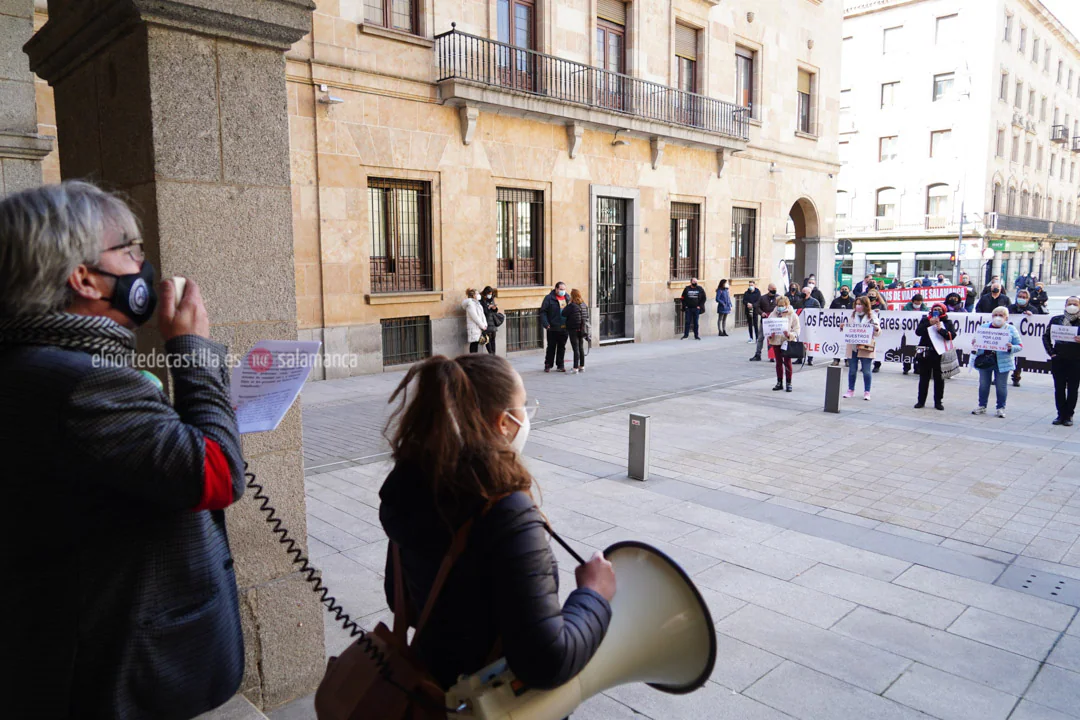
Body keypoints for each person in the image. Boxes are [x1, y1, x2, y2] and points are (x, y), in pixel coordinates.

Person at [1, 182, 247, 719]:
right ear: (84, 276)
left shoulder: (34, 362)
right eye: (130, 249)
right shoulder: (79, 380)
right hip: (122, 671)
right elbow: (217, 475)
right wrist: (193, 351)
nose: (144, 263)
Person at [378, 353, 615, 693]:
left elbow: (399, 598)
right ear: (503, 422)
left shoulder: (417, 482)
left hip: (435, 686)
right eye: (522, 406)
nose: (526, 416)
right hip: (491, 699)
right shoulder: (506, 514)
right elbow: (547, 660)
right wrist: (594, 594)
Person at [971, 307, 1022, 418]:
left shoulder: (1011, 329)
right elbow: (976, 342)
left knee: (1001, 386)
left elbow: (1019, 346)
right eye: (996, 315)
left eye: (1001, 315)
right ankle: (982, 406)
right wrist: (975, 343)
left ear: (1006, 317)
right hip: (985, 361)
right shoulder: (984, 327)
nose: (998, 317)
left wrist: (1011, 347)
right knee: (984, 385)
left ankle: (1000, 408)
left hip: (1002, 362)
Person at [914, 303, 958, 410]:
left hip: (940, 354)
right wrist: (929, 323)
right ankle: (921, 401)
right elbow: (918, 332)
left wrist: (941, 330)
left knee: (939, 379)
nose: (937, 311)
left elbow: (952, 336)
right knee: (924, 378)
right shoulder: (925, 320)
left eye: (939, 309)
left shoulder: (947, 322)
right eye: (935, 309)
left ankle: (938, 401)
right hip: (925, 353)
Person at [1045, 296, 1080, 426]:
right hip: (1059, 359)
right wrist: (1051, 353)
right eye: (1070, 303)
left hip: (1076, 360)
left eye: (1075, 304)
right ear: (1065, 305)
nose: (1072, 306)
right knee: (1059, 388)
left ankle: (1069, 415)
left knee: (1073, 389)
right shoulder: (1056, 320)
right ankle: (1060, 414)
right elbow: (1046, 336)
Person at [841, 296, 881, 400]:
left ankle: (867, 391)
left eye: (860, 304)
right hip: (854, 347)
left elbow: (878, 332)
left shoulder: (872, 316)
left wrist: (876, 328)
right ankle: (850, 390)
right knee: (852, 370)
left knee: (866, 371)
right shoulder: (853, 315)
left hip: (866, 347)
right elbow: (849, 328)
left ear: (865, 305)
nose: (858, 306)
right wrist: (843, 327)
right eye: (857, 304)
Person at [1008, 289, 1044, 386]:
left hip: (1024, 338)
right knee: (1005, 356)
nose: (1022, 299)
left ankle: (1016, 377)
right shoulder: (1010, 308)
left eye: (1024, 297)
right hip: (1010, 336)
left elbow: (1037, 322)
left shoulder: (1033, 309)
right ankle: (1000, 376)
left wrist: (1031, 316)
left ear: (1028, 299)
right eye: (1020, 297)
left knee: (1019, 359)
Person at [767, 296, 800, 392]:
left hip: (787, 341)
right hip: (776, 340)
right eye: (779, 305)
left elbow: (797, 330)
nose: (780, 307)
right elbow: (768, 326)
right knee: (778, 362)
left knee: (787, 362)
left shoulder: (792, 315)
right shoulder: (773, 314)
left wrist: (789, 334)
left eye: (782, 305)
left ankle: (789, 383)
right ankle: (779, 382)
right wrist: (770, 334)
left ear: (787, 305)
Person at [540, 281, 569, 372]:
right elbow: (543, 312)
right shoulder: (549, 298)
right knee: (551, 346)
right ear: (556, 289)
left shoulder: (567, 298)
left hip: (564, 327)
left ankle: (560, 365)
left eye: (564, 289)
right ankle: (548, 364)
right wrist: (546, 323)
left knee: (562, 347)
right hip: (552, 327)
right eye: (561, 289)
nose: (562, 291)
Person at [751, 284, 779, 361]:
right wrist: (761, 313)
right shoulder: (762, 298)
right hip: (765, 321)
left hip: (774, 322)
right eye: (772, 289)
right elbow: (756, 307)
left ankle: (773, 355)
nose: (774, 290)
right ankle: (758, 354)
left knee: (773, 338)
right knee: (761, 337)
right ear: (769, 289)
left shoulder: (778, 297)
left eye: (775, 289)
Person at [902, 293, 928, 375]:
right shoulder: (906, 309)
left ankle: (917, 368)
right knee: (907, 351)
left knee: (918, 352)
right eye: (916, 303)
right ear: (913, 301)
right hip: (908, 332)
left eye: (919, 303)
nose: (918, 304)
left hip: (919, 333)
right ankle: (906, 368)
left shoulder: (925, 309)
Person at [565, 288, 590, 373]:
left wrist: (568, 304)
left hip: (573, 329)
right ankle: (582, 366)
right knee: (581, 347)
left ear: (572, 296)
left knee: (575, 348)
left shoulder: (572, 305)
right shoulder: (584, 305)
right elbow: (587, 316)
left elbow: (563, 313)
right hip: (582, 329)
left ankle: (575, 368)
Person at [866, 288, 887, 372]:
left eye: (873, 295)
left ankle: (877, 364)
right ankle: (866, 363)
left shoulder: (881, 305)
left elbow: (886, 314)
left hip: (877, 328)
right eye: (869, 295)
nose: (871, 296)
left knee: (878, 346)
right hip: (867, 329)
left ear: (876, 296)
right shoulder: (865, 305)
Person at [463, 288, 489, 354]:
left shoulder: (477, 303)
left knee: (476, 344)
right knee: (474, 345)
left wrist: (485, 324)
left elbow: (482, 315)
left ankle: (474, 360)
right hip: (474, 328)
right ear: (473, 295)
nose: (479, 295)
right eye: (477, 293)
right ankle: (472, 361)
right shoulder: (470, 304)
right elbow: (475, 317)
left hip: (479, 327)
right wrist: (483, 326)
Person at [479, 286, 500, 356]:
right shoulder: (481, 300)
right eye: (489, 293)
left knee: (493, 339)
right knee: (487, 339)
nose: (490, 295)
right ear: (486, 293)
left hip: (492, 322)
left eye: (491, 294)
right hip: (486, 322)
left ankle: (494, 355)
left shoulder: (491, 299)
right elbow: (483, 312)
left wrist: (494, 308)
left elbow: (495, 311)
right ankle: (491, 354)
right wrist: (488, 307)